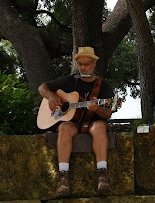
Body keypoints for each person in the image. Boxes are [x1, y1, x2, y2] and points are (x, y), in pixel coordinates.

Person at [38, 46, 114, 198]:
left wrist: (97, 109)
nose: (83, 67)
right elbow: (42, 87)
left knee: (99, 126)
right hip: (73, 123)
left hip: (93, 123)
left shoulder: (103, 86)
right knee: (64, 127)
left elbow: (108, 113)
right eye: (80, 64)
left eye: (86, 64)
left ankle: (102, 175)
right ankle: (63, 177)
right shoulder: (69, 81)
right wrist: (51, 97)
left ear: (94, 64)